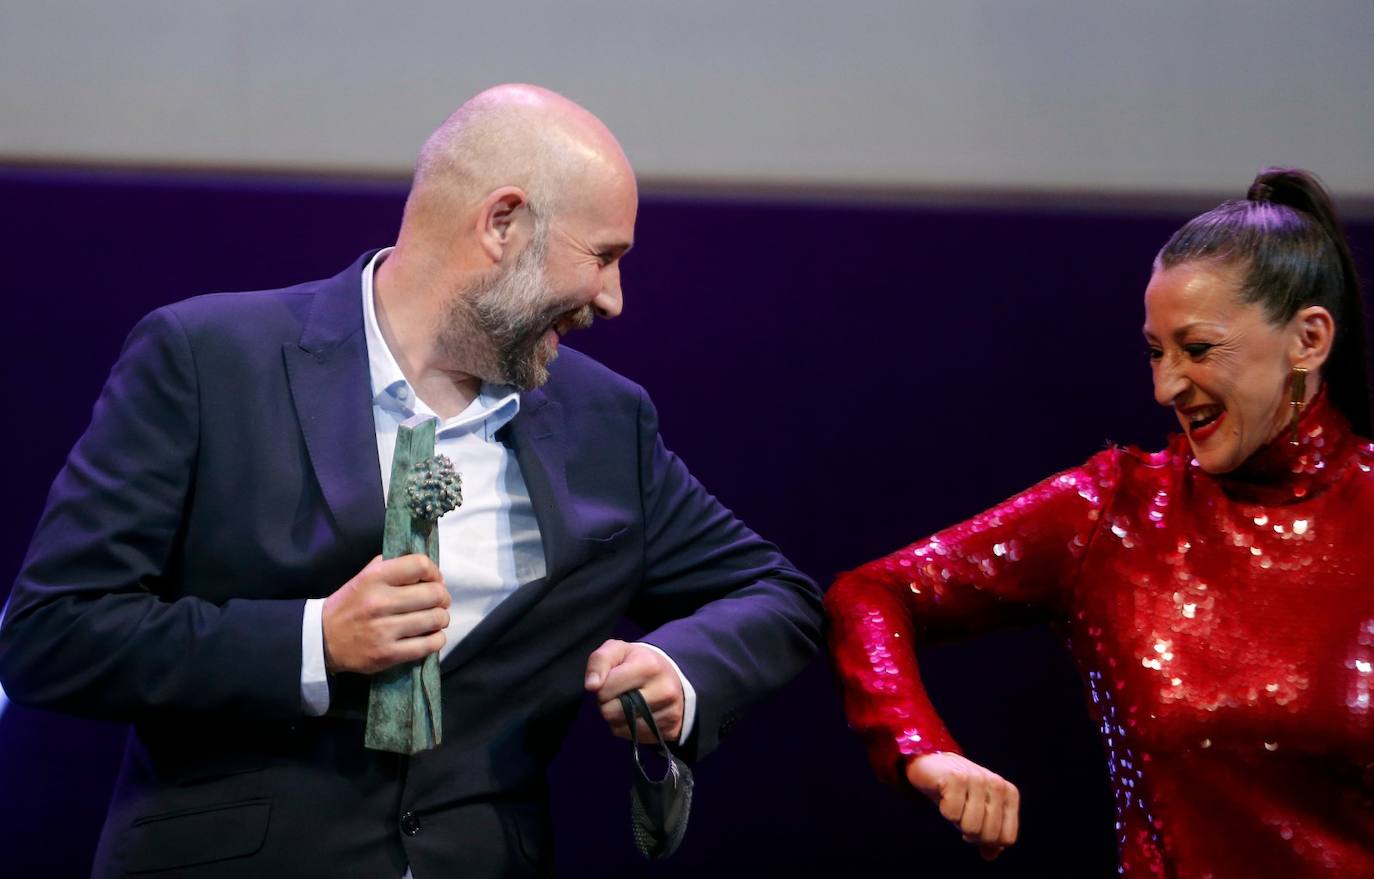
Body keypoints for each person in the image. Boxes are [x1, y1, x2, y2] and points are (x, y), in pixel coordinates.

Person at [0, 84, 822, 878]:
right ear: (502, 222)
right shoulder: (208, 360)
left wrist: (678, 670)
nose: (612, 298)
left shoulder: (607, 421)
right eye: (603, 256)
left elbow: (779, 592)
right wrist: (313, 642)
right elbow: (50, 633)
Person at [825, 168, 1374, 877]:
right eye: (1156, 350)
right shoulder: (1112, 512)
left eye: (1197, 349)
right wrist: (921, 747)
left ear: (1309, 338)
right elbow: (869, 594)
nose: (1166, 385)